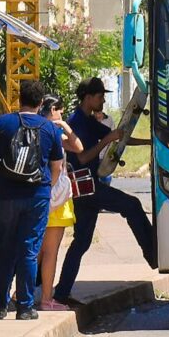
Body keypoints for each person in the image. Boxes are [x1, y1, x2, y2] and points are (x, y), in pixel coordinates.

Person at [53, 78, 156, 305]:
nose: (103, 100)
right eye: (100, 96)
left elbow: (120, 136)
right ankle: (152, 253)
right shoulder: (76, 122)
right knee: (132, 205)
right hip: (86, 187)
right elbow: (83, 156)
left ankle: (60, 294)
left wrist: (150, 142)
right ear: (88, 97)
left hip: (87, 188)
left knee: (81, 243)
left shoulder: (88, 120)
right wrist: (107, 139)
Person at [0, 80, 64, 320]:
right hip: (36, 196)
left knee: (5, 249)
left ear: (19, 99)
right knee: (29, 251)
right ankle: (26, 307)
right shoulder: (49, 129)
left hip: (6, 196)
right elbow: (57, 167)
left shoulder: (2, 124)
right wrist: (46, 189)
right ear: (41, 104)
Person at [37, 96, 82, 311]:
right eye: (60, 112)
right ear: (53, 109)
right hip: (54, 199)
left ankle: (20, 294)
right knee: (50, 252)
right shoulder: (54, 132)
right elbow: (78, 146)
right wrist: (63, 126)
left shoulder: (33, 129)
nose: (61, 116)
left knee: (33, 252)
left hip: (34, 195)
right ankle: (47, 298)